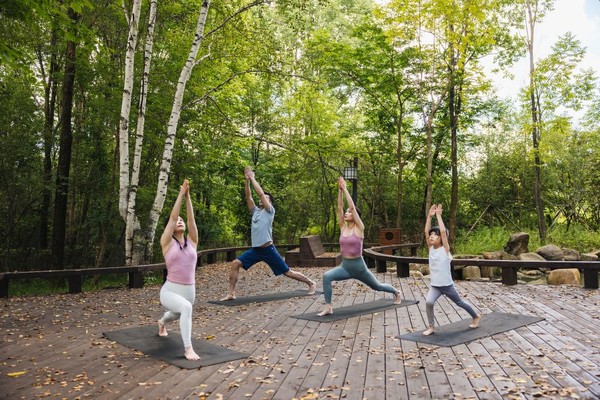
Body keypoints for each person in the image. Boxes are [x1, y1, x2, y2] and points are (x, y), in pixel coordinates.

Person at [220, 166, 316, 300]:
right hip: (256, 250)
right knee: (235, 263)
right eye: (262, 197)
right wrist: (247, 181)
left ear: (269, 202)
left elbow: (259, 194)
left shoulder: (270, 211)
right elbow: (248, 197)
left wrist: (253, 177)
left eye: (266, 197)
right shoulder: (255, 212)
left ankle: (311, 283)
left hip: (268, 249)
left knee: (287, 272)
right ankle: (231, 293)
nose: (262, 198)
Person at [318, 177, 402, 316]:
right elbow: (339, 208)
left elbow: (352, 206)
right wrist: (339, 191)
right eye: (346, 212)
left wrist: (345, 189)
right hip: (345, 267)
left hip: (359, 267)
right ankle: (328, 307)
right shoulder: (343, 228)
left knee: (377, 286)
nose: (346, 213)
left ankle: (396, 292)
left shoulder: (360, 228)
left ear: (355, 215)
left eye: (349, 212)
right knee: (327, 276)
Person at [157, 179, 200, 360]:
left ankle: (161, 322)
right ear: (170, 227)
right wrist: (181, 195)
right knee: (185, 308)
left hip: (189, 290)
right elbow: (173, 217)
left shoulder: (192, 242)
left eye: (182, 220)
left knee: (176, 313)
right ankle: (188, 348)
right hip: (170, 290)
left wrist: (188, 197)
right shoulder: (166, 243)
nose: (180, 221)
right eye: (177, 221)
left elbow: (191, 219)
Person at [422, 204, 481, 335]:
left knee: (460, 302)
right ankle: (431, 327)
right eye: (431, 235)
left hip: (447, 285)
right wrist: (429, 217)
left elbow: (443, 232)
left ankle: (475, 316)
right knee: (429, 302)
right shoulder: (431, 249)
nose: (431, 236)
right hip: (435, 286)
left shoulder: (445, 249)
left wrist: (438, 216)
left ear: (441, 239)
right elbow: (426, 232)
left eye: (435, 235)